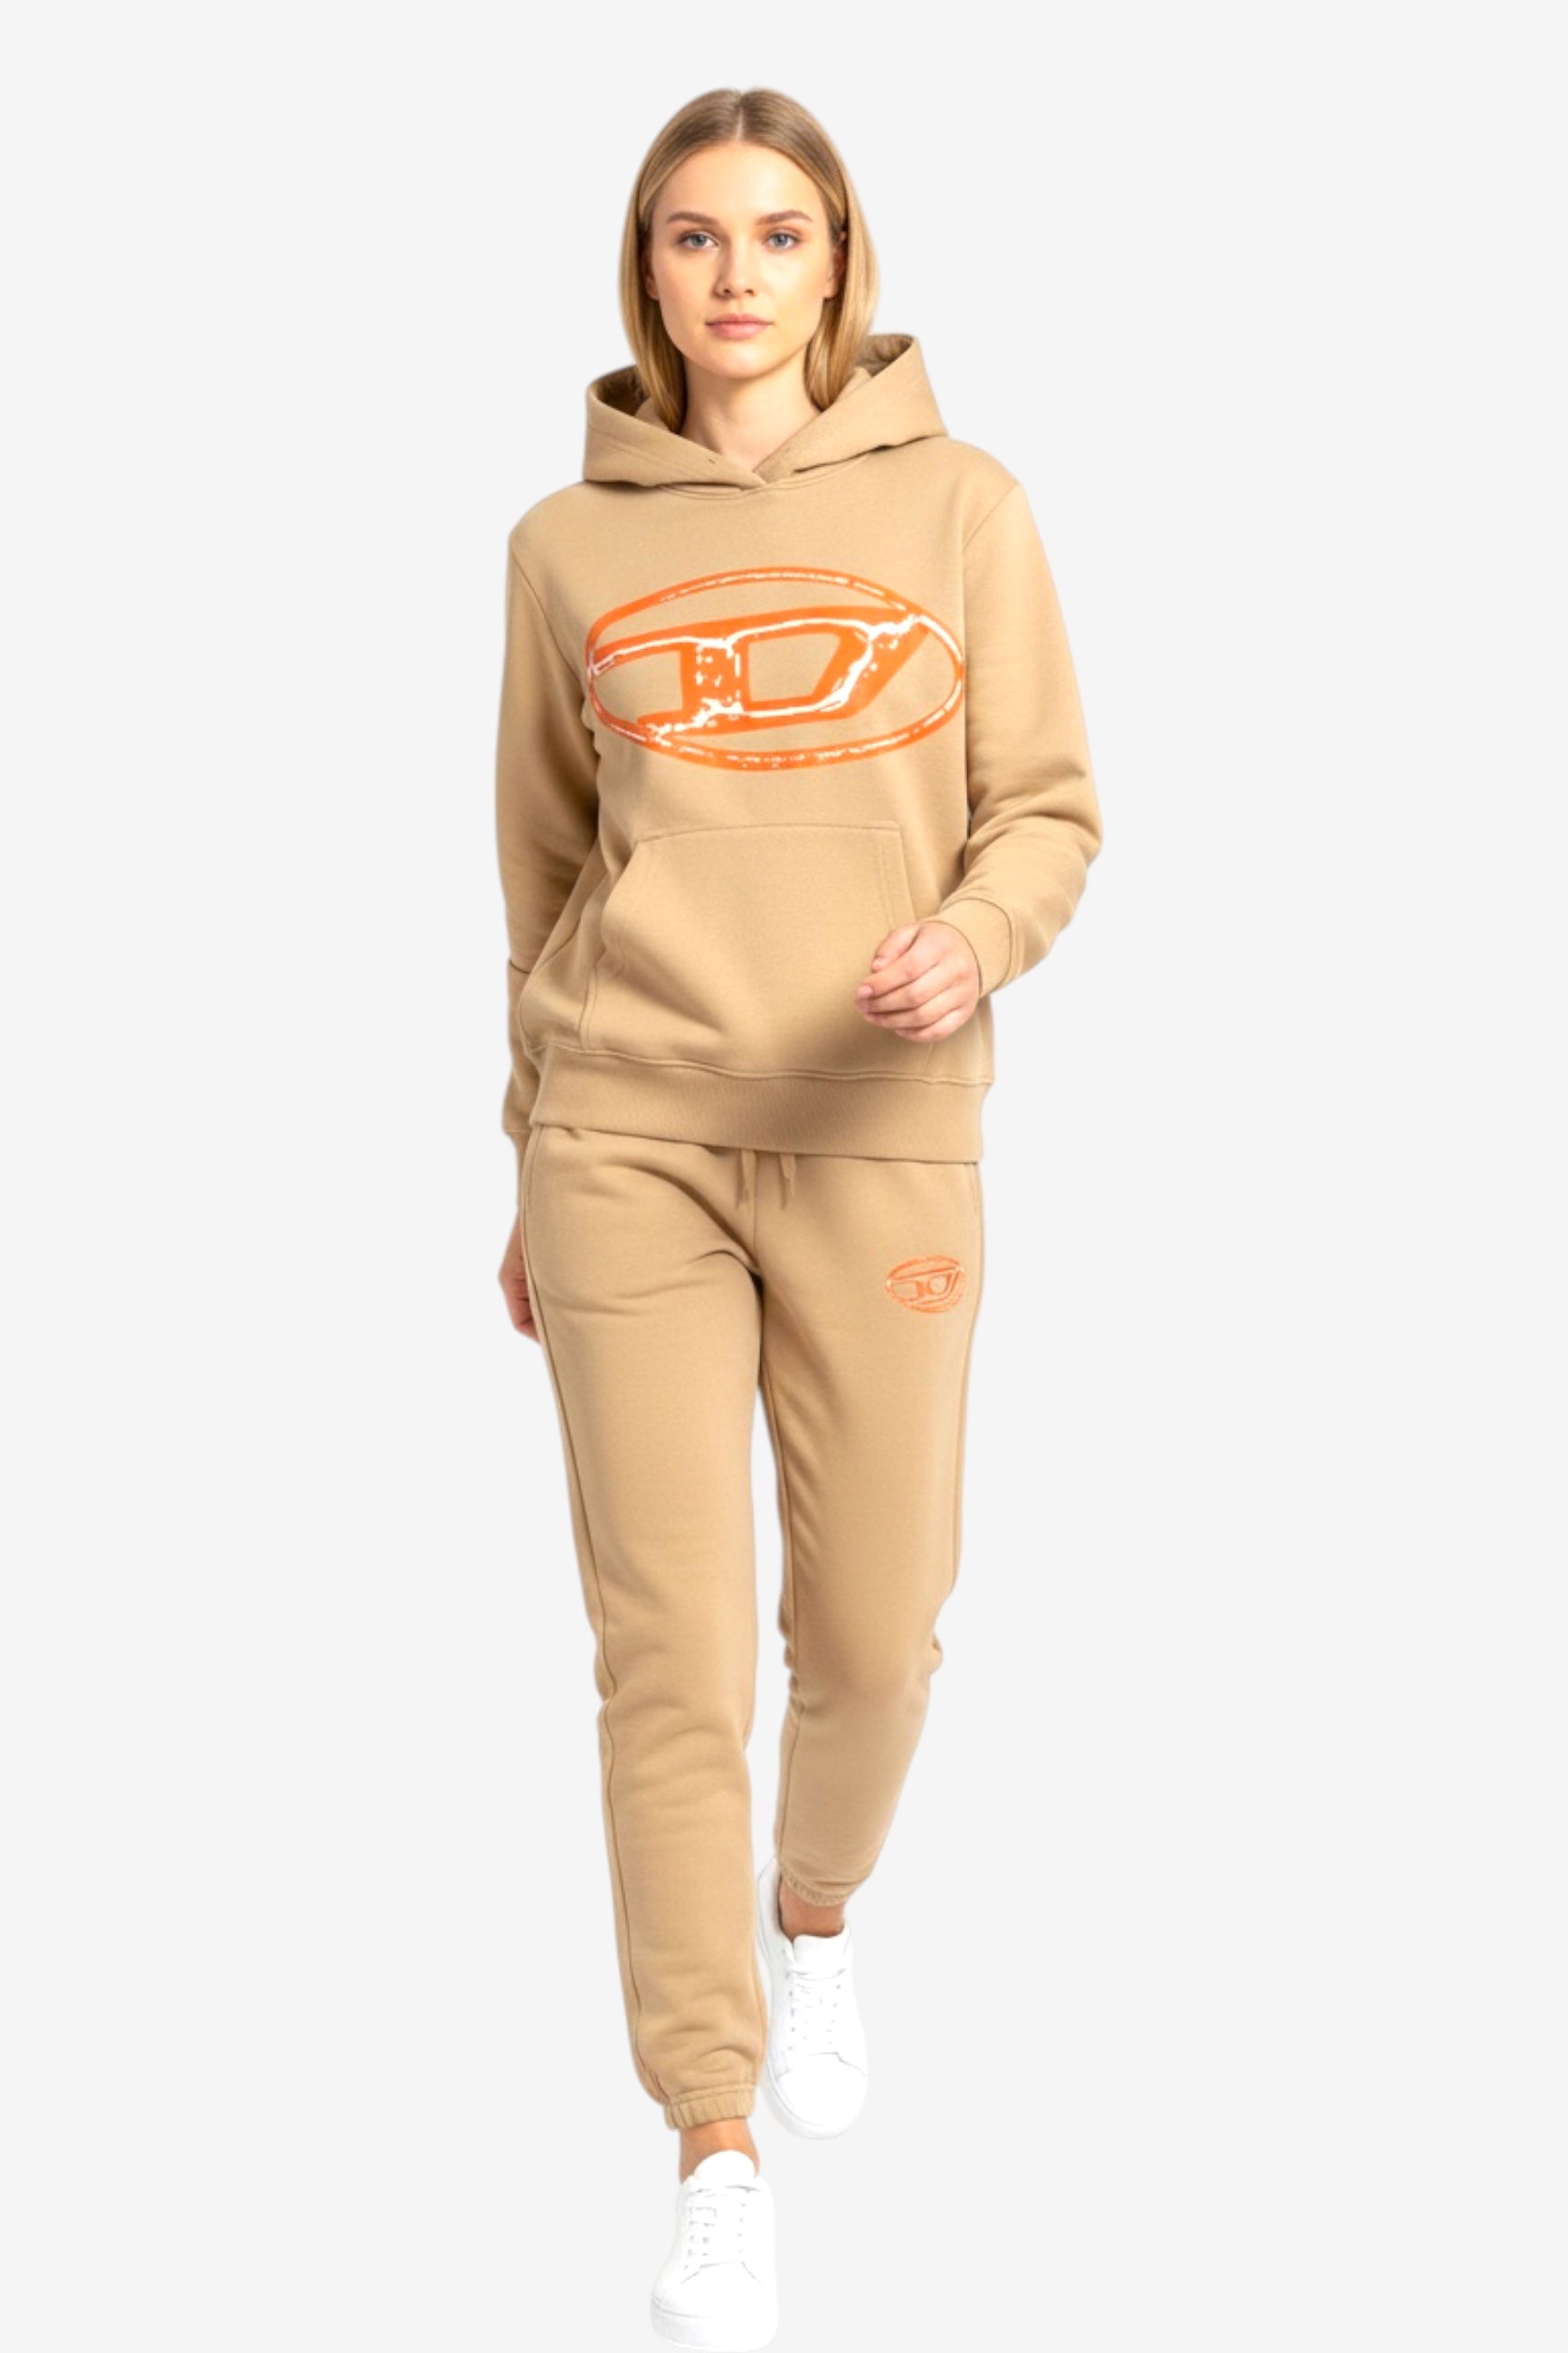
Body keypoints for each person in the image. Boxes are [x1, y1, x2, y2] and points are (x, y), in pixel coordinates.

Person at [493, 85, 1102, 2351]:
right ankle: (712, 2140)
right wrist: (525, 1149)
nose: (734, 276)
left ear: (840, 260)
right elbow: (544, 877)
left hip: (879, 1129)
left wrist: (979, 933)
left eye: (776, 233)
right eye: (691, 235)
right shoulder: (564, 544)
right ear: (644, 269)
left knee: (873, 1636)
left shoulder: (965, 505)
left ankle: (815, 1911)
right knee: (665, 1656)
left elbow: (1049, 807)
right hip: (625, 1141)